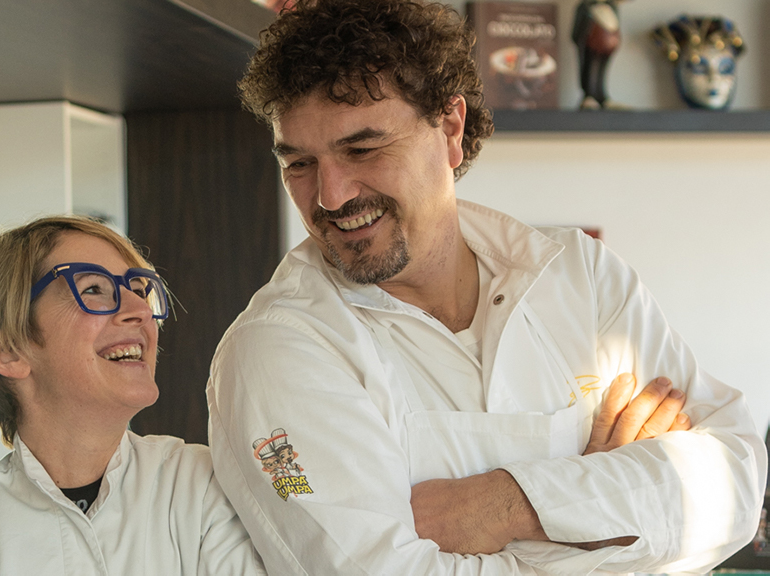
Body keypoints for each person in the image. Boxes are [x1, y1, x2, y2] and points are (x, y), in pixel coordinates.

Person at [206, 0, 767, 573]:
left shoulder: (581, 274)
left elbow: (734, 481)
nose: (330, 195)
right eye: (299, 163)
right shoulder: (278, 349)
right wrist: (599, 516)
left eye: (363, 149)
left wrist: (505, 505)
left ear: (451, 127)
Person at [0, 216, 265, 575]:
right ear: (9, 351)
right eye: (93, 290)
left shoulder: (200, 486)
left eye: (138, 290)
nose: (138, 310)